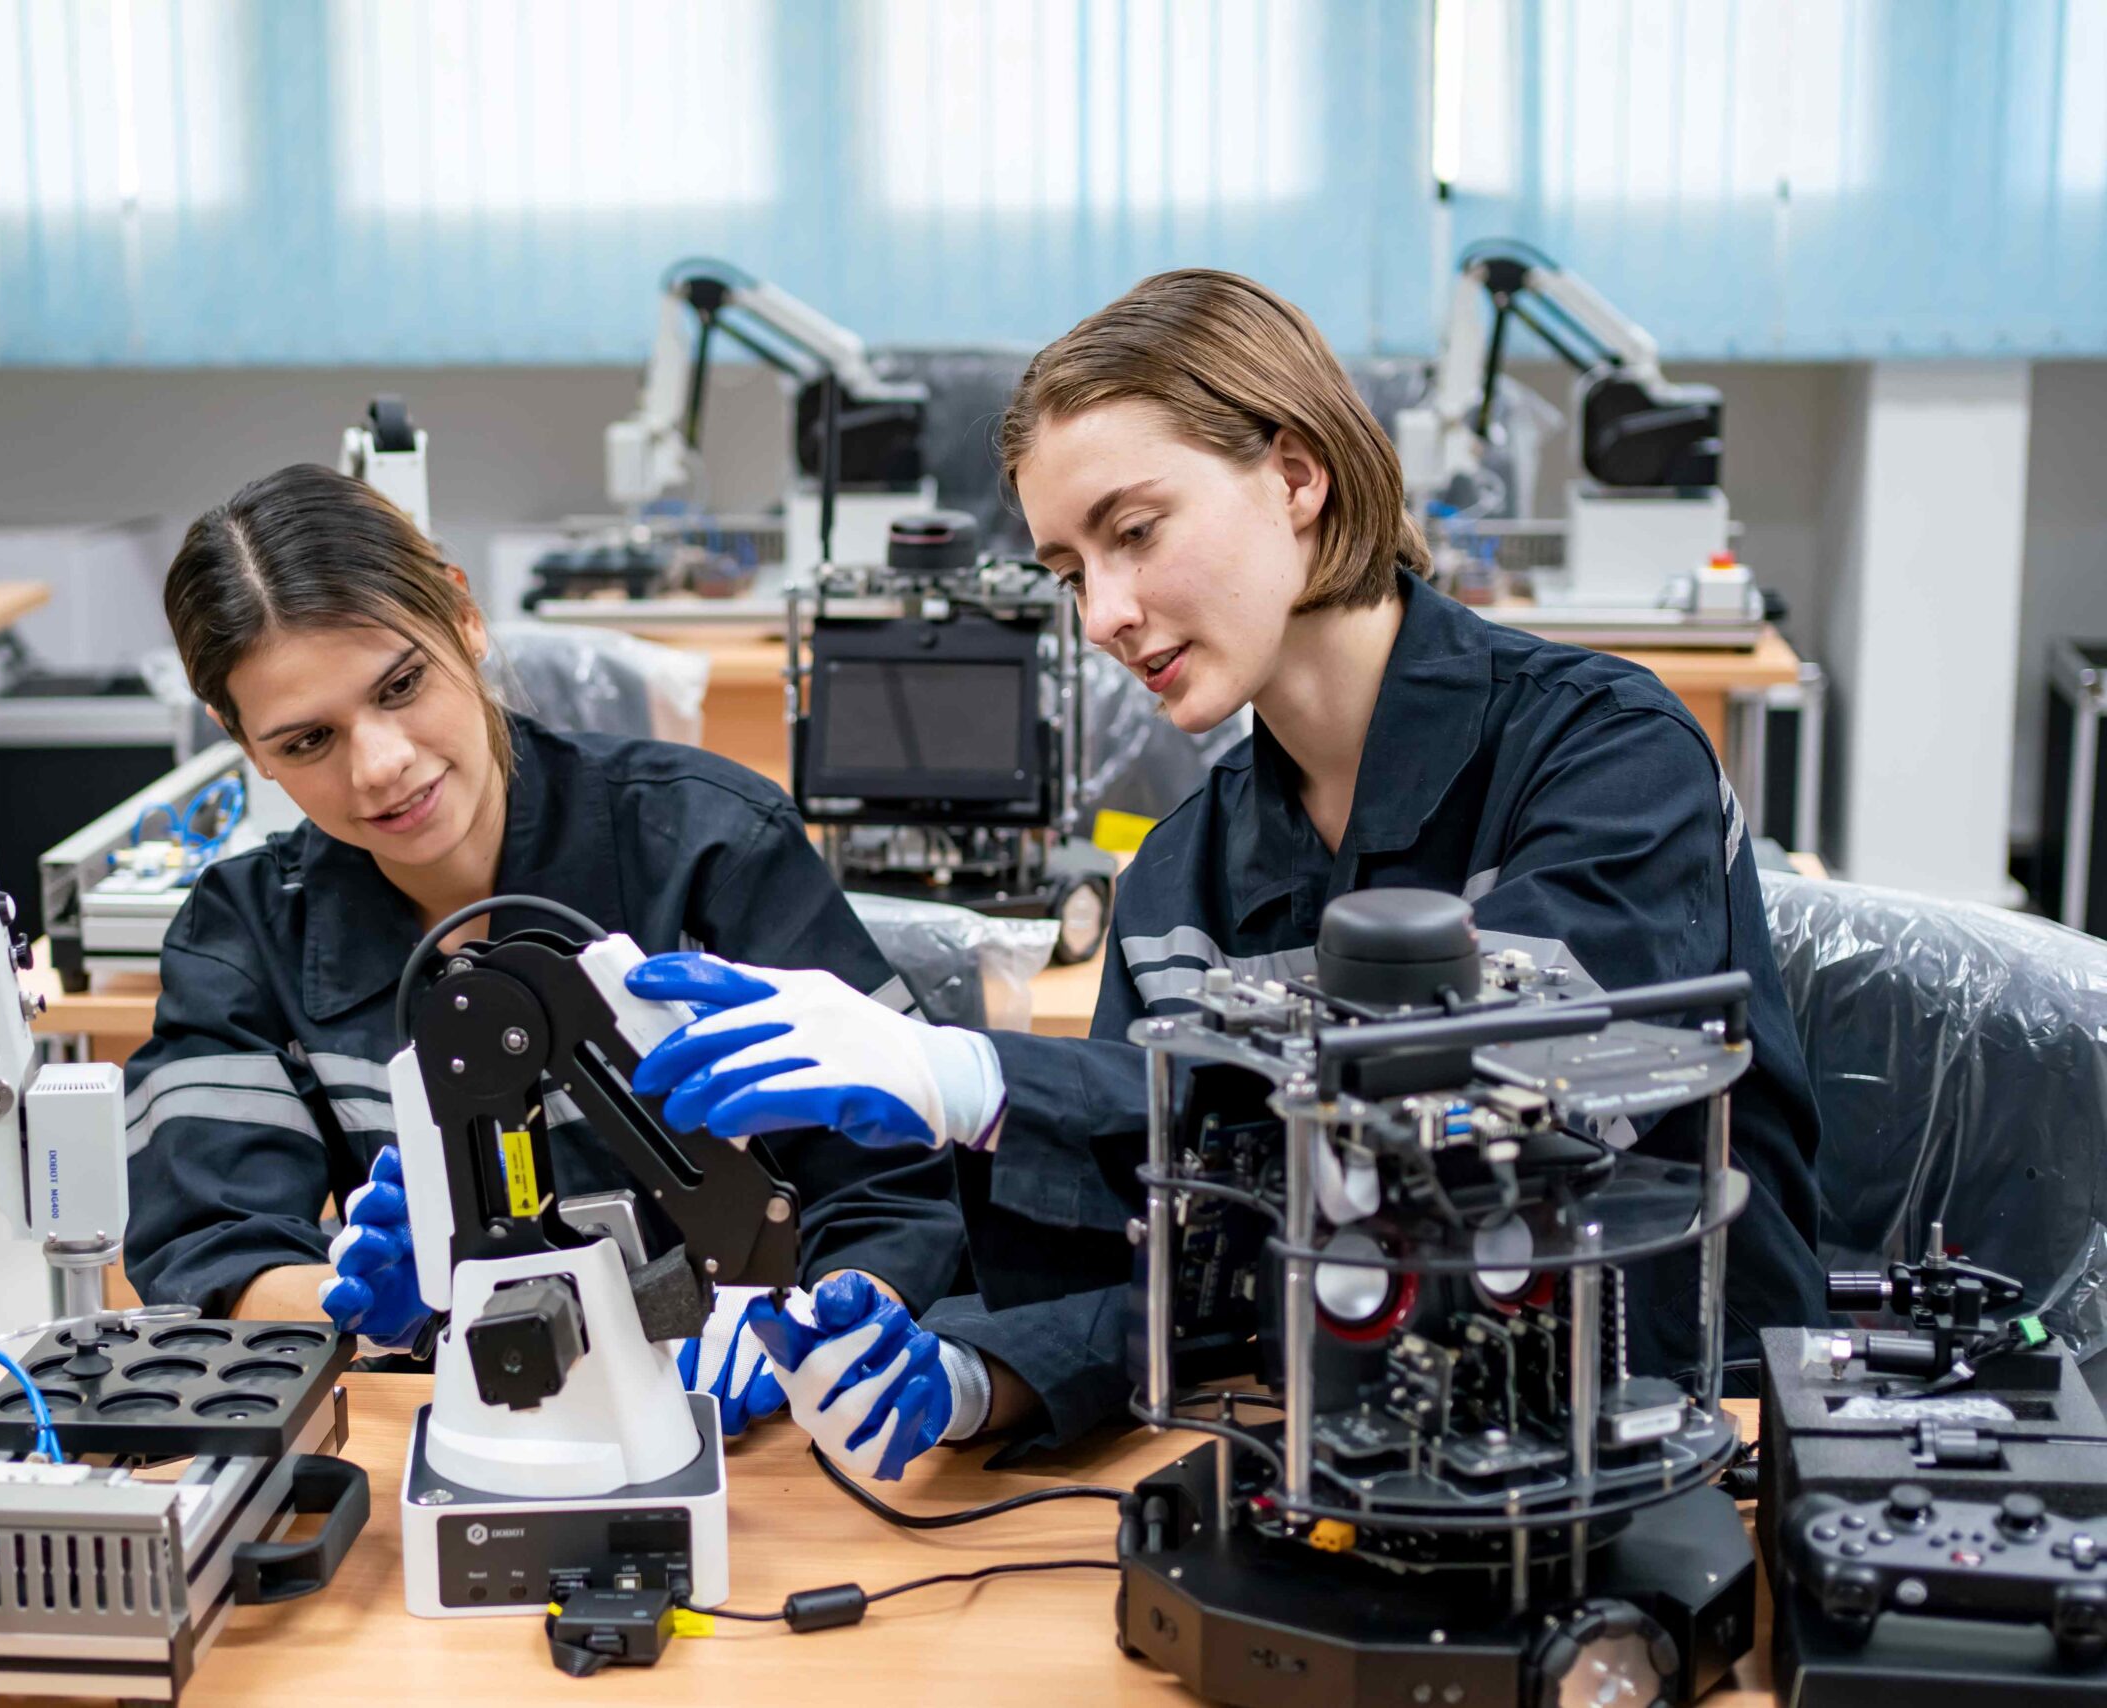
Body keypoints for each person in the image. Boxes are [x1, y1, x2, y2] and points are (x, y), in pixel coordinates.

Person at [626, 269, 1828, 1480]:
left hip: (1684, 1449)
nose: (1100, 612)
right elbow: (1168, 1257)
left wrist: (978, 1075)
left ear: (1296, 476)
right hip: (1360, 1454)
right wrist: (973, 1379)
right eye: (1065, 569)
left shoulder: (1606, 751)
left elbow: (1485, 1099)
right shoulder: (1176, 881)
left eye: (1134, 532)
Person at [120, 463, 967, 1434]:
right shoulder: (244, 939)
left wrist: (826, 1318)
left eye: (401, 684)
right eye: (307, 741)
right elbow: (210, 1258)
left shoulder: (709, 848)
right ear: (245, 744)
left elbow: (899, 1182)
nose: (381, 763)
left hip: (769, 1446)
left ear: (463, 615)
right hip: (482, 1433)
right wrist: (361, 1307)